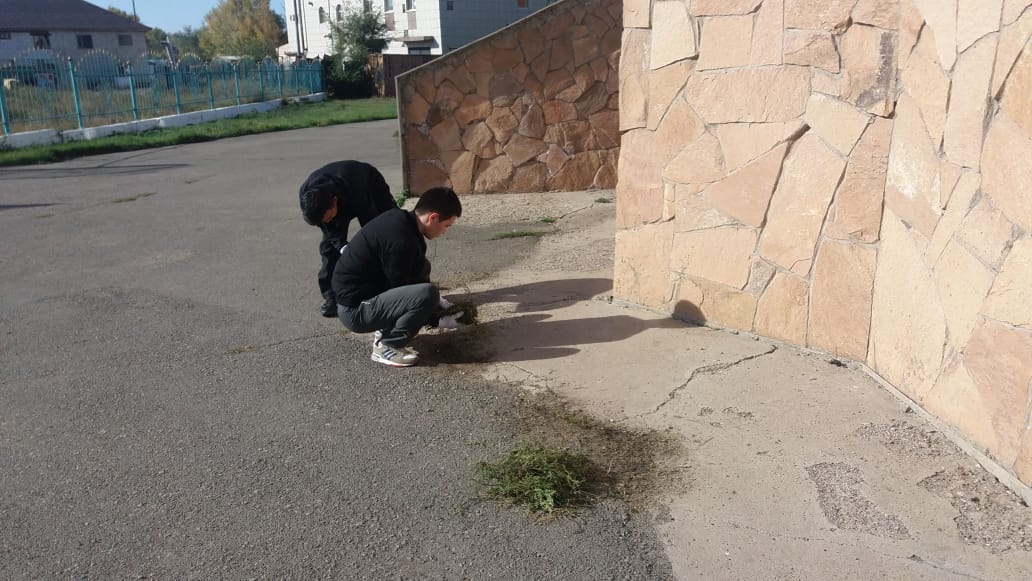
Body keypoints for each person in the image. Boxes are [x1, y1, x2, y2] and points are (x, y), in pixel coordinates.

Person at [332, 186, 466, 367]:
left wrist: (437, 306)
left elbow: (412, 277)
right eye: (446, 226)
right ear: (433, 217)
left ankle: (386, 328)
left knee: (423, 267)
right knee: (427, 294)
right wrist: (437, 319)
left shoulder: (404, 222)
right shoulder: (401, 241)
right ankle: (387, 345)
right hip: (355, 311)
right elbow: (402, 289)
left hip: (363, 296)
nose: (444, 232)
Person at [299, 160, 398, 318]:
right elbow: (330, 232)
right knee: (329, 248)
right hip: (336, 198)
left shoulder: (356, 187)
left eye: (328, 218)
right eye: (323, 220)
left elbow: (371, 226)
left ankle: (393, 282)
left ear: (334, 202)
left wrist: (365, 254)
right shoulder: (307, 195)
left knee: (390, 227)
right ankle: (331, 298)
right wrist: (343, 247)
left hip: (368, 184)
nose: (327, 222)